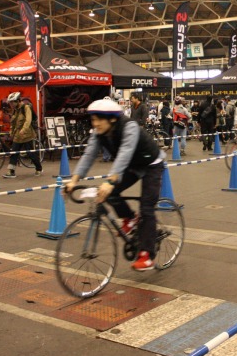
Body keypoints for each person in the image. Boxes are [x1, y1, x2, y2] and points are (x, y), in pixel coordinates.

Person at [64, 97, 165, 271]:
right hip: (132, 166)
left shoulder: (129, 127)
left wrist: (110, 180)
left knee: (147, 208)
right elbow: (89, 155)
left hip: (151, 164)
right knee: (109, 192)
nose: (94, 123)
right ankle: (130, 218)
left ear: (111, 118)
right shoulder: (99, 133)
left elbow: (125, 152)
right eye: (93, 120)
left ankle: (147, 255)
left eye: (98, 119)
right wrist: (73, 180)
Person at [3, 92, 42, 178]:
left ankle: (39, 168)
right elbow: (13, 122)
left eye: (12, 102)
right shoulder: (15, 110)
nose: (11, 104)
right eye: (10, 102)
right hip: (17, 136)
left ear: (17, 101)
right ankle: (11, 171)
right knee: (14, 153)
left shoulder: (26, 107)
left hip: (27, 135)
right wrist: (11, 131)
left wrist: (23, 130)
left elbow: (28, 120)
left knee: (31, 153)